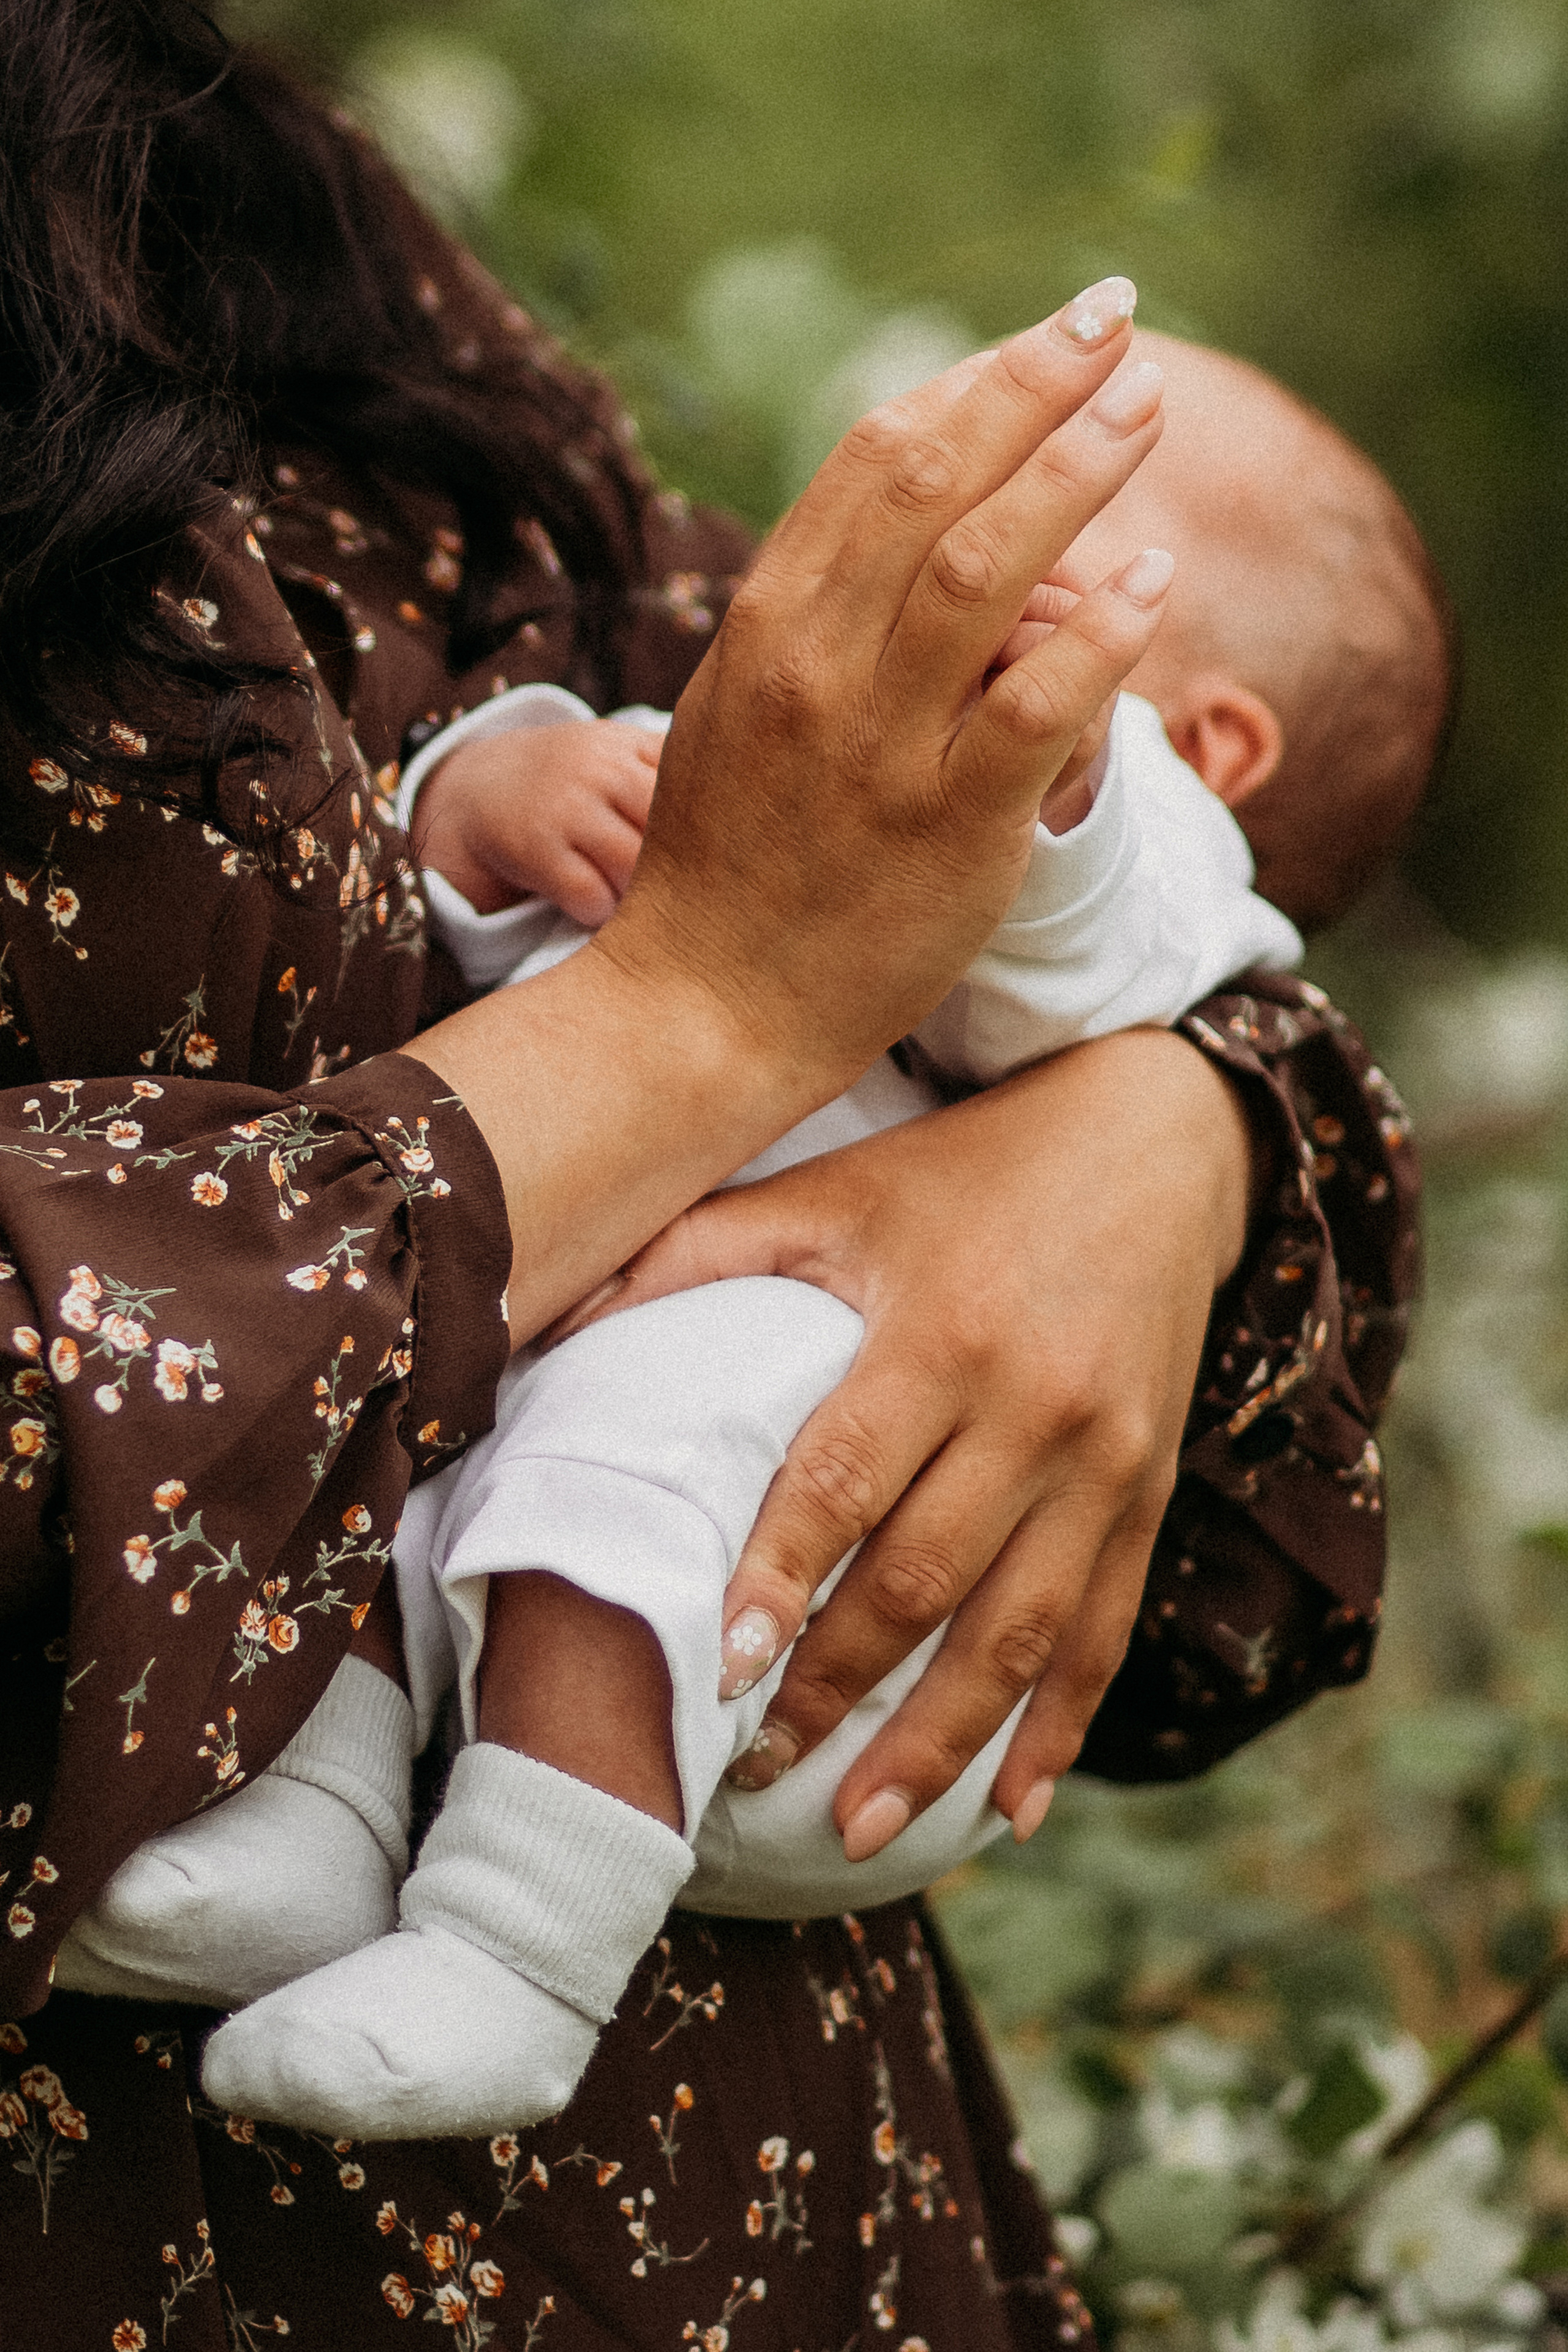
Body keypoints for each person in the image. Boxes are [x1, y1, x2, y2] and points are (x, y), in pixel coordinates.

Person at [0, 14, 1422, 2349]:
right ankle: (317, 1828)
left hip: (752, 1472)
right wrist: (511, 792)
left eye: (1080, 508)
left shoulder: (253, 192)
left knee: (611, 1473)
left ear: (1224, 737)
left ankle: (516, 1930)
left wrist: (1167, 1143)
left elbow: (1036, 905)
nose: (924, 527)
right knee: (427, 1464)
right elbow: (641, 845)